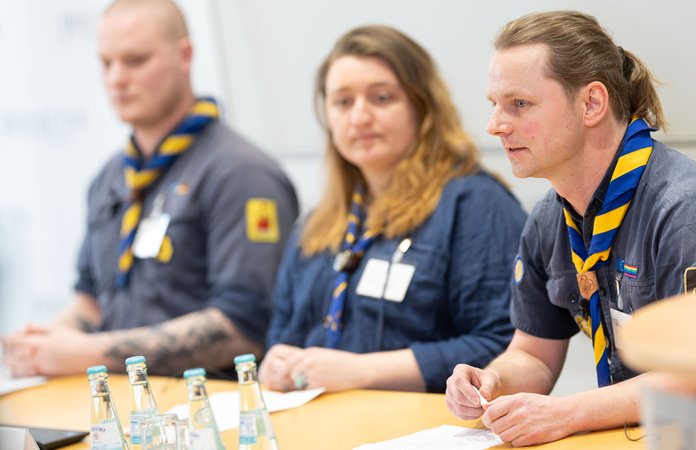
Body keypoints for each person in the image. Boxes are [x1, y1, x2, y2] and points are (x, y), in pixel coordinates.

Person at [445, 10, 696, 446]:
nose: (495, 125)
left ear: (591, 104)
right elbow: (533, 354)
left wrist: (566, 412)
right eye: (495, 105)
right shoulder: (550, 218)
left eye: (519, 104)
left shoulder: (690, 212)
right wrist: (492, 380)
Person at [1, 0, 298, 377]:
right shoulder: (110, 177)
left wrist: (85, 354)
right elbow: (90, 303)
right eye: (106, 63)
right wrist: (44, 342)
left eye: (136, 60)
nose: (116, 79)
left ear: (184, 55)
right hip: (119, 403)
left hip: (207, 410)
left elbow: (241, 328)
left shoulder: (241, 173)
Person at [259, 25, 525, 394]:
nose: (360, 117)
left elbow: (504, 347)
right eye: (343, 102)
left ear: (422, 106)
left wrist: (363, 371)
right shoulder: (317, 223)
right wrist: (275, 364)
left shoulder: (475, 205)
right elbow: (283, 333)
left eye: (381, 98)